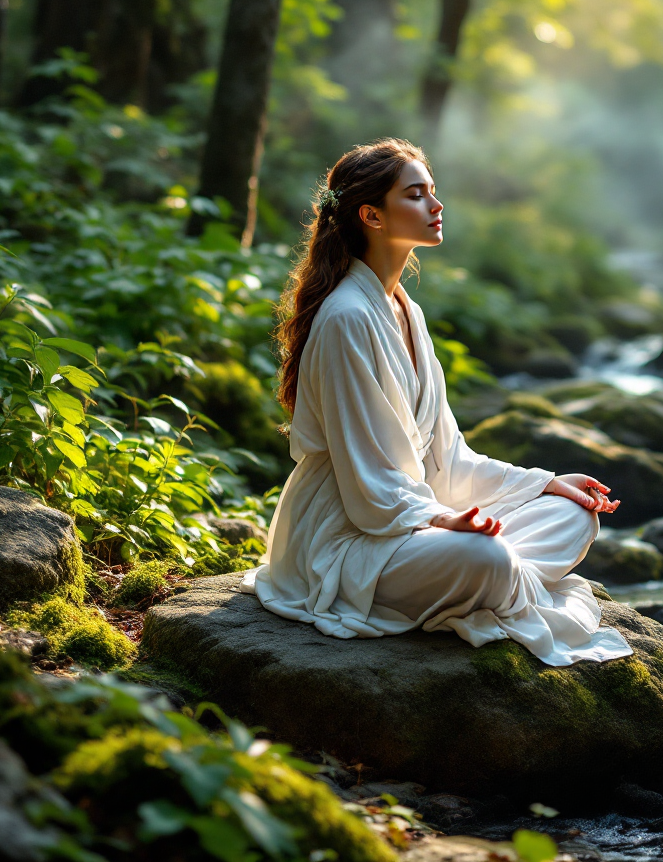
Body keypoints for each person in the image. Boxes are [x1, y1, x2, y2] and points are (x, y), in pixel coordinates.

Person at [239, 138, 633, 667]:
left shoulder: (407, 312)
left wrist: (545, 482)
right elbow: (369, 483)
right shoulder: (346, 318)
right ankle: (502, 581)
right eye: (417, 194)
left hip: (413, 522)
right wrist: (438, 521)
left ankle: (496, 581)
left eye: (433, 192)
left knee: (575, 516)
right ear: (371, 215)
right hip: (348, 536)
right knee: (485, 556)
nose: (436, 204)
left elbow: (451, 460)